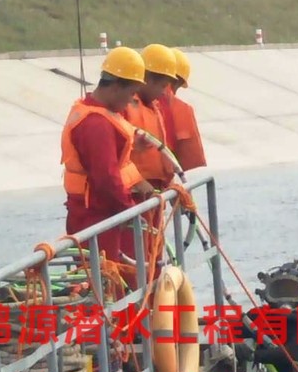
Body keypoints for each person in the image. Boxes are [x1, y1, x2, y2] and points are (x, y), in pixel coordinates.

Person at [61, 46, 155, 263]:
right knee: (104, 276)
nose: (131, 100)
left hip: (92, 213)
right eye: (131, 93)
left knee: (106, 275)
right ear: (115, 87)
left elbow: (105, 158)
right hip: (95, 217)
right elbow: (105, 177)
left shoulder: (93, 111)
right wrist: (129, 210)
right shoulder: (96, 124)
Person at [124, 43, 178, 192]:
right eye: (162, 86)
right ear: (147, 79)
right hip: (135, 193)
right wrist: (141, 185)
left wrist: (172, 185)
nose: (163, 92)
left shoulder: (154, 108)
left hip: (155, 191)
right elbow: (115, 157)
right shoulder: (124, 106)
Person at [161, 47, 207, 172]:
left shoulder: (128, 102)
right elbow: (192, 163)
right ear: (179, 82)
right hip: (165, 180)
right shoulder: (183, 110)